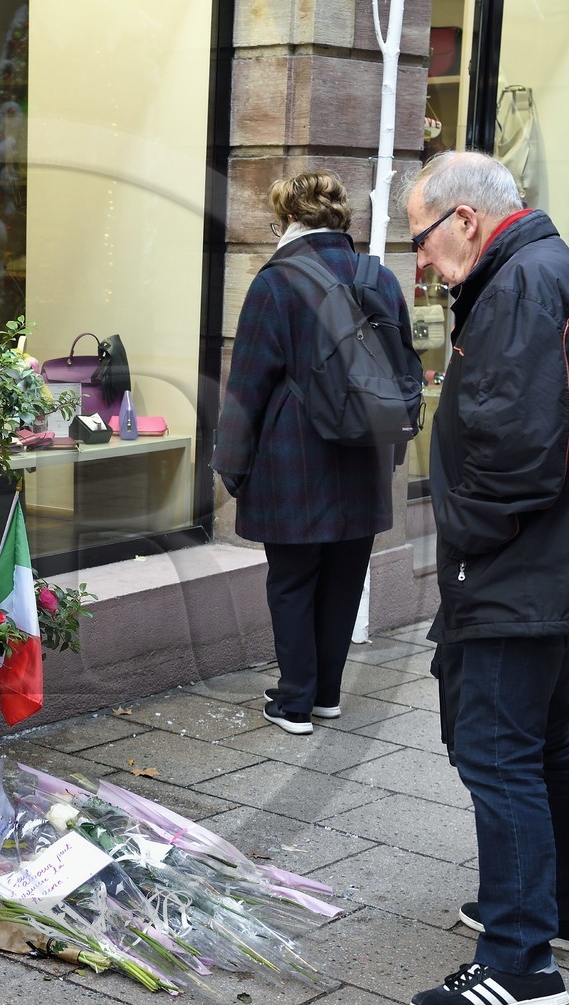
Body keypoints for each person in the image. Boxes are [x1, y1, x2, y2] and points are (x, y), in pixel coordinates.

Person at [398, 151, 569, 1005]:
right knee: (542, 746)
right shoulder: (540, 273)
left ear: (465, 220)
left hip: (523, 573)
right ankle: (562, 911)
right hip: (554, 568)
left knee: (497, 755)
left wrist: (464, 547)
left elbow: (515, 456)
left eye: (421, 238)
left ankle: (519, 961)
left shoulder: (518, 290)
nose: (419, 261)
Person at [211, 172, 419, 735]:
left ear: (287, 218)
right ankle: (327, 694)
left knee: (293, 581)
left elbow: (247, 385)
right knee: (343, 580)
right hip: (365, 456)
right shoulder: (377, 276)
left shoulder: (275, 283)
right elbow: (405, 368)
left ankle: (294, 701)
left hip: (293, 459)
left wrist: (231, 465)